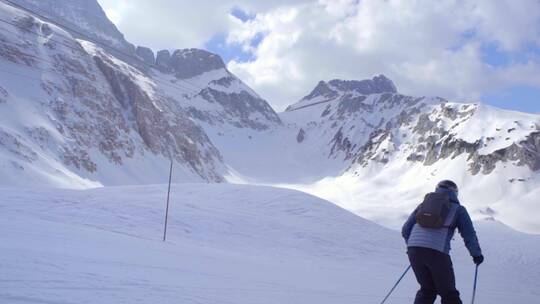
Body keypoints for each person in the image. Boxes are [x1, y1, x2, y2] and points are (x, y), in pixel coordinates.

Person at [402, 180, 484, 304]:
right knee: (449, 294)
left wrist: (415, 248)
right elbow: (469, 235)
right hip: (437, 253)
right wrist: (476, 254)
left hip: (414, 250)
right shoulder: (458, 209)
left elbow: (406, 229)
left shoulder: (423, 205)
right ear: (455, 193)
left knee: (427, 290)